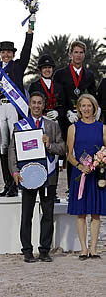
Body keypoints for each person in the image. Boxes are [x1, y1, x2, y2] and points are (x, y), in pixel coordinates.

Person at [8, 92, 65, 262]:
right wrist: (15, 172)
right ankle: (26, 250)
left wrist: (50, 145)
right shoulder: (20, 125)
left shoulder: (52, 125)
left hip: (48, 176)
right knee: (27, 214)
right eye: (33, 103)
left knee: (47, 214)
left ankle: (44, 250)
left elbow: (63, 148)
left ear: (44, 105)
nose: (37, 106)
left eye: (40, 103)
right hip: (27, 177)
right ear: (29, 105)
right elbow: (12, 151)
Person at [0, 27, 33, 197]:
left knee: (14, 146)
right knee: (2, 145)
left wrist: (29, 34)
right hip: (1, 107)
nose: (6, 55)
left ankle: (16, 184)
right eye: (4, 52)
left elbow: (26, 52)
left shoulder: (18, 66)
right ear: (0, 53)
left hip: (14, 107)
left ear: (13, 54)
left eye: (9, 52)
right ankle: (7, 183)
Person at [67, 94, 106, 260]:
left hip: (97, 175)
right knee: (81, 213)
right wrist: (80, 166)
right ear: (79, 108)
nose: (86, 109)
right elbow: (69, 155)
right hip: (80, 174)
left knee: (96, 213)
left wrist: (100, 163)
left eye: (89, 105)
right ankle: (83, 249)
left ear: (94, 107)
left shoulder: (102, 128)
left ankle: (93, 249)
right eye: (83, 106)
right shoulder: (73, 128)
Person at [53, 40, 96, 190]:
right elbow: (57, 96)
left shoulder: (89, 75)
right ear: (70, 54)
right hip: (66, 120)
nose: (78, 55)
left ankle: (78, 186)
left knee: (81, 151)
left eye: (81, 52)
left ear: (84, 55)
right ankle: (61, 189)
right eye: (75, 52)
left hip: (83, 119)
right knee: (66, 152)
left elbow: (92, 97)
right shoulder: (60, 74)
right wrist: (66, 112)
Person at [29, 54, 66, 202]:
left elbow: (64, 106)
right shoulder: (34, 86)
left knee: (54, 158)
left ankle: (53, 190)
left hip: (55, 124)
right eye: (44, 68)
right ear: (40, 70)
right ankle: (38, 185)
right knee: (40, 155)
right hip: (41, 123)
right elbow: (33, 105)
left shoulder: (59, 87)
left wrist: (58, 112)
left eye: (49, 68)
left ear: (52, 69)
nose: (47, 70)